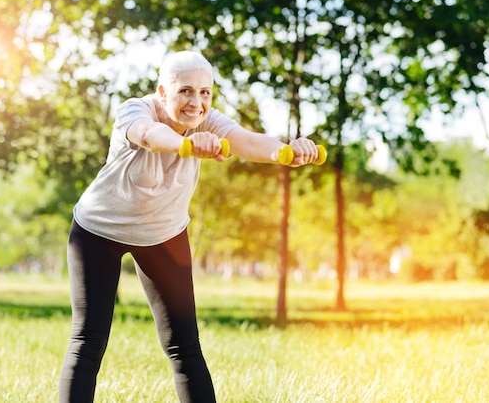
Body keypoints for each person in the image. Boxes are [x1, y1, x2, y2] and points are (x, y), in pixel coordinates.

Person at [58, 50, 320, 403]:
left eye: (205, 92)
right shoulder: (134, 110)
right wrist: (186, 145)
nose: (196, 102)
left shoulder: (207, 121)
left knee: (184, 347)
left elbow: (249, 141)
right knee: (88, 342)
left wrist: (287, 151)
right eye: (185, 91)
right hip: (98, 231)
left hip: (163, 234)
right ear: (162, 92)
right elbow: (149, 136)